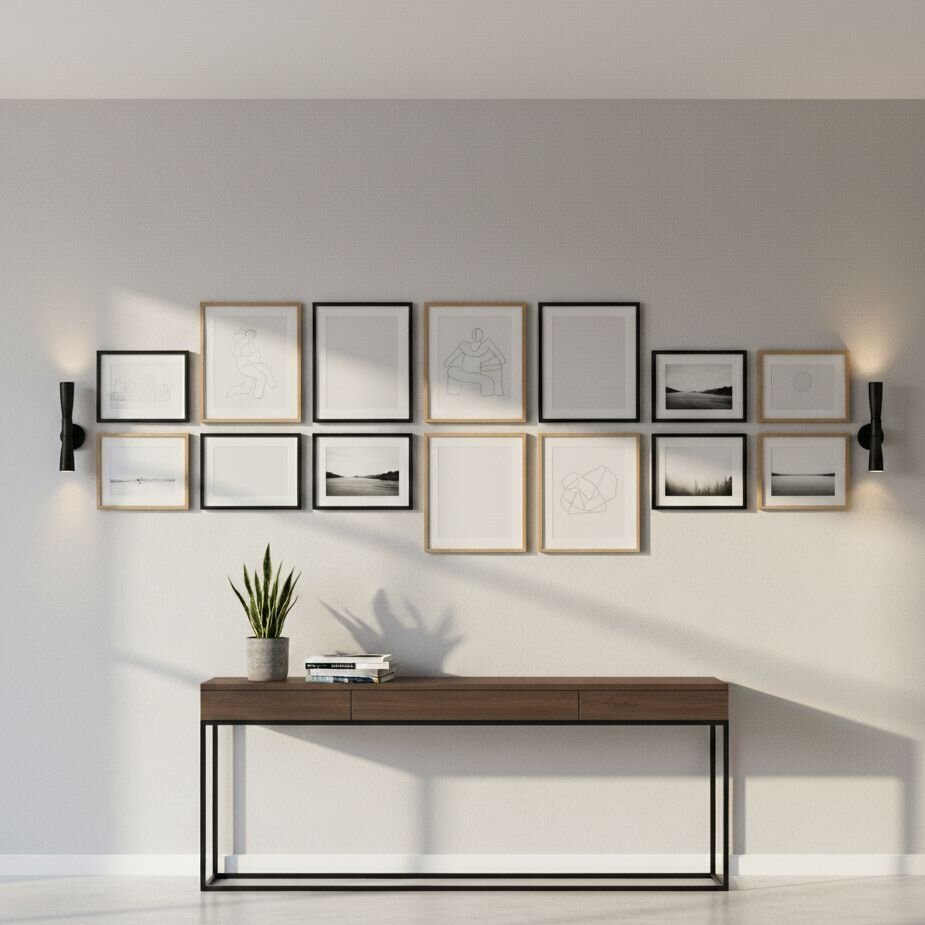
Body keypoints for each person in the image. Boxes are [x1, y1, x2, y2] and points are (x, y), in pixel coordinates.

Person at [443, 328, 506, 397]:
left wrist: (448, 364)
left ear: (472, 336)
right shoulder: (487, 344)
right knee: (488, 382)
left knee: (452, 371)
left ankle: (452, 394)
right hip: (473, 375)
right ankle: (487, 399)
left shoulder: (464, 345)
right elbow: (502, 360)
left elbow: (447, 362)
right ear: (482, 336)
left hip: (466, 374)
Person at [227, 328, 278, 399]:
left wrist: (255, 353)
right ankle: (258, 396)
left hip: (251, 365)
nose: (251, 336)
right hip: (245, 367)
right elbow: (239, 351)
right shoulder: (239, 343)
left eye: (253, 335)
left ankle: (230, 393)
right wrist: (248, 342)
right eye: (250, 334)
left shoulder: (250, 344)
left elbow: (255, 357)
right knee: (261, 377)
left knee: (246, 389)